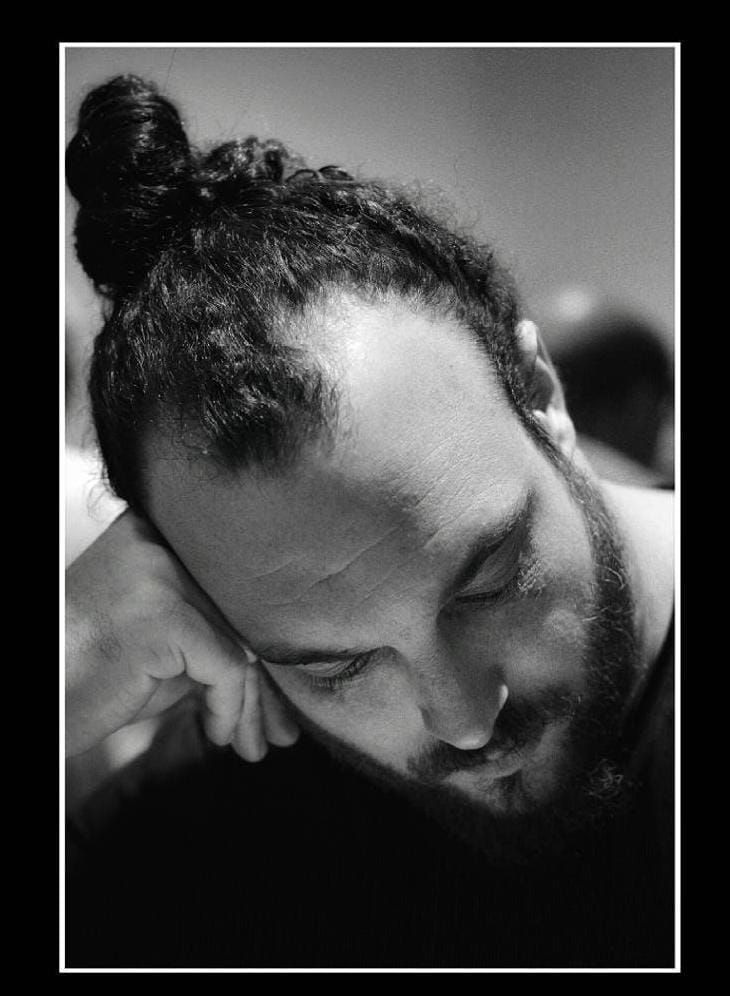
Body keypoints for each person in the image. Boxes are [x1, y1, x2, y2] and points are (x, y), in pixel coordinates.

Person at [64, 75, 675, 969]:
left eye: (488, 583)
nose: (465, 723)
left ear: (540, 397)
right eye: (339, 669)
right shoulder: (233, 813)